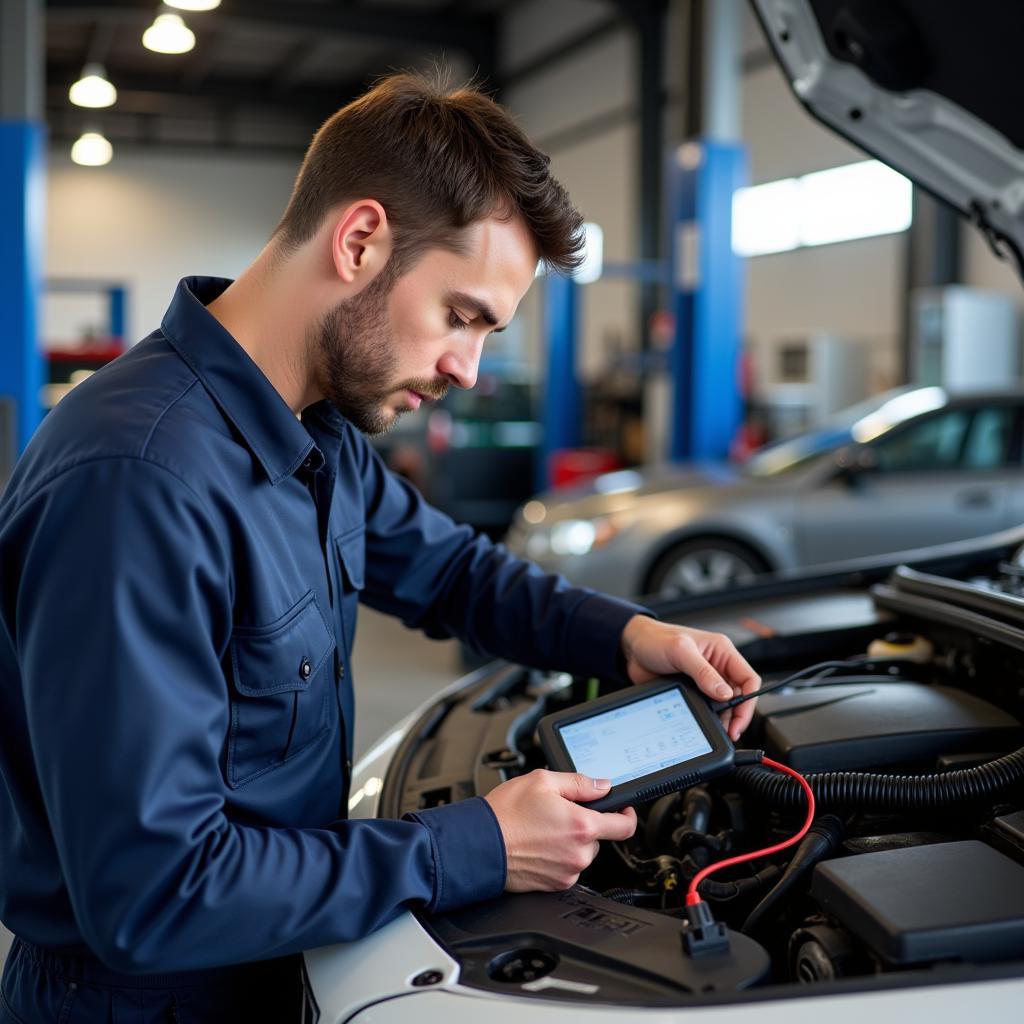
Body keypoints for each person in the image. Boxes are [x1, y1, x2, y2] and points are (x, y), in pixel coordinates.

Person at [0, 72, 760, 1022]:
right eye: (461, 316)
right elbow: (153, 893)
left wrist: (629, 636)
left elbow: (451, 569)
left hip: (274, 956)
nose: (467, 369)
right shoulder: (138, 481)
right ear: (360, 241)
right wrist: (476, 843)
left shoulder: (316, 432)